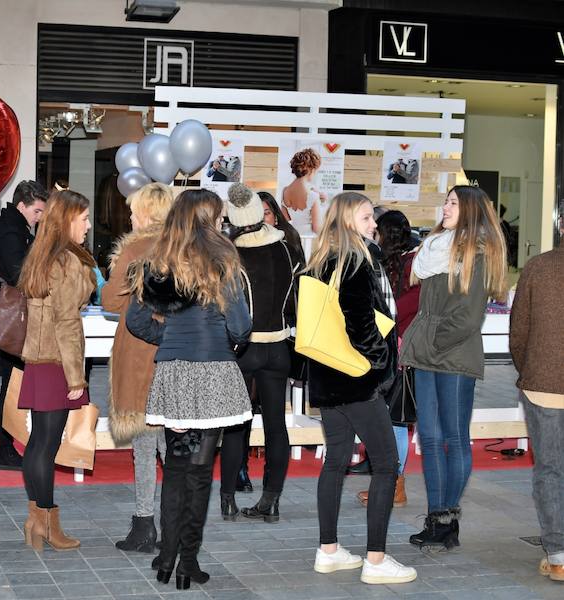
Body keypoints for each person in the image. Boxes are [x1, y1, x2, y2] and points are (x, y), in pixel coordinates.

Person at [127, 189, 252, 590]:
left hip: (175, 374)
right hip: (213, 372)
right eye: (217, 216)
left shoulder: (157, 262)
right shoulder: (222, 260)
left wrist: (168, 338)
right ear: (207, 218)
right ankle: (187, 564)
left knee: (177, 467)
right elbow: (241, 325)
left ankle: (167, 558)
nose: (220, 223)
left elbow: (136, 321)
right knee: (199, 472)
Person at [306, 192, 416, 585]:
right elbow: (361, 324)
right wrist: (379, 364)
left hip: (326, 377)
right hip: (354, 381)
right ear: (349, 220)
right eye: (368, 217)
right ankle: (375, 559)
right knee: (387, 464)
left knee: (335, 460)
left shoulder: (319, 260)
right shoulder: (355, 260)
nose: (374, 224)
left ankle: (329, 551)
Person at [402, 185, 508, 549]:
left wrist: (431, 342)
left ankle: (446, 517)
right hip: (430, 351)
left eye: (453, 203)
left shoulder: (477, 253)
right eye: (446, 201)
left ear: (471, 211)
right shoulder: (434, 248)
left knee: (454, 438)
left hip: (455, 354)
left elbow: (467, 317)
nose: (445, 207)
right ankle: (437, 520)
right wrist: (421, 343)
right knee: (429, 438)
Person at [218, 183, 302, 523]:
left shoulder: (231, 256)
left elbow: (225, 309)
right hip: (280, 348)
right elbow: (297, 303)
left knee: (237, 427)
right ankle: (271, 501)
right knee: (276, 427)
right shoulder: (288, 251)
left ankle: (228, 500)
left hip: (245, 349)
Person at [18, 189, 95, 551]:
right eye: (83, 219)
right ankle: (47, 522)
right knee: (46, 447)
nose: (89, 226)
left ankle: (37, 521)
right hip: (57, 362)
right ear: (67, 221)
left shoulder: (43, 255)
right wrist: (76, 377)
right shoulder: (66, 261)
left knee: (38, 445)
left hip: (39, 359)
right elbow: (67, 322)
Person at [101, 183, 174, 553]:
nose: (129, 216)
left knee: (146, 444)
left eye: (134, 210)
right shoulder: (184, 248)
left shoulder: (133, 249)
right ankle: (177, 524)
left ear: (147, 213)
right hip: (178, 351)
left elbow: (111, 301)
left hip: (141, 351)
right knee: (175, 443)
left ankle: (145, 525)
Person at [0, 180, 48, 471]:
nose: (40, 217)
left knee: (12, 387)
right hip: (10, 318)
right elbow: (21, 273)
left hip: (7, 316)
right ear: (22, 206)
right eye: (37, 211)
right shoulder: (10, 231)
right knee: (12, 387)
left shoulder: (13, 228)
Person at [510, 214, 564, 583]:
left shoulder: (537, 267)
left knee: (549, 468)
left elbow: (519, 331)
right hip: (542, 380)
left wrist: (528, 368)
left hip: (543, 383)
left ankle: (559, 554)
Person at [356, 211, 420, 509]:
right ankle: (389, 481)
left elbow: (407, 305)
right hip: (387, 346)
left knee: (395, 419)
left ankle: (395, 484)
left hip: (400, 349)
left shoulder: (411, 264)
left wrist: (387, 321)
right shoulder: (390, 262)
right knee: (387, 417)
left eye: (376, 227)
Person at [281, 148, 326, 241]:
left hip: (294, 238)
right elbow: (316, 228)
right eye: (315, 170)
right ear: (311, 169)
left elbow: (286, 219)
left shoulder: (285, 191)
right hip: (309, 240)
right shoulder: (313, 196)